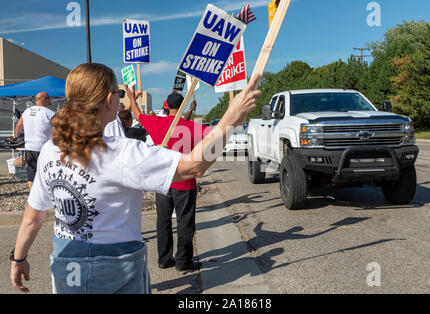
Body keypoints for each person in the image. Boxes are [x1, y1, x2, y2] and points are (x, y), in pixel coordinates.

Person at [10, 62, 261, 293]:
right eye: (118, 95)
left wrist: (18, 258)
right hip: (115, 267)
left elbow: (33, 217)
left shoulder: (50, 149)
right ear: (109, 100)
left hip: (66, 263)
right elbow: (194, 167)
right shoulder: (121, 152)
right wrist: (230, 120)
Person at [128, 91, 207, 272]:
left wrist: (132, 99)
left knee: (163, 220)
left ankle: (164, 259)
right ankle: (183, 261)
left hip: (162, 180)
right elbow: (215, 136)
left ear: (167, 106)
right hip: (185, 181)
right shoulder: (191, 126)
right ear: (182, 106)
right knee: (184, 221)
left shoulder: (156, 122)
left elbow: (137, 114)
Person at [14, 92, 55, 190]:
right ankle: (46, 196)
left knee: (31, 172)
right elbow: (61, 127)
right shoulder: (49, 113)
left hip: (29, 147)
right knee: (47, 172)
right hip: (44, 148)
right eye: (48, 98)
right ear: (44, 99)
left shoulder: (27, 111)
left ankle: (32, 196)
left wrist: (16, 137)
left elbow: (18, 126)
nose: (50, 100)